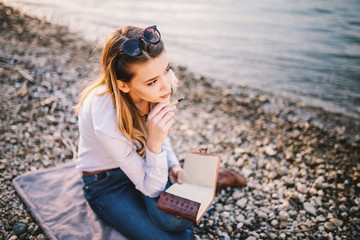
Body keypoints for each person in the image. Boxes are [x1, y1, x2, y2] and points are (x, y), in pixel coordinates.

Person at [75, 25, 246, 240]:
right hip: (107, 183)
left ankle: (204, 177)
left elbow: (159, 136)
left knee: (176, 219)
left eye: (167, 69)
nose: (167, 86)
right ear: (124, 85)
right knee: (178, 232)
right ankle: (204, 179)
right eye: (153, 81)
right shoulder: (104, 115)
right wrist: (154, 147)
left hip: (144, 161)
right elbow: (149, 187)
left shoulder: (156, 87)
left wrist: (172, 163)